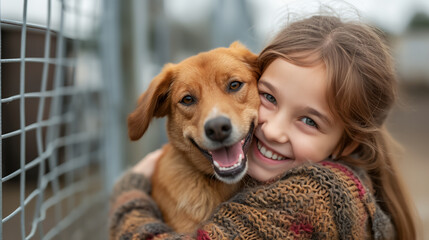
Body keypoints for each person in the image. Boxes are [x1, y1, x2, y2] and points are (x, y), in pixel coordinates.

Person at [109, 14, 417, 239]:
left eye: (234, 86)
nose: (216, 119)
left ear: (347, 142)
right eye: (269, 97)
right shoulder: (275, 167)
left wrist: (131, 187)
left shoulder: (311, 198)